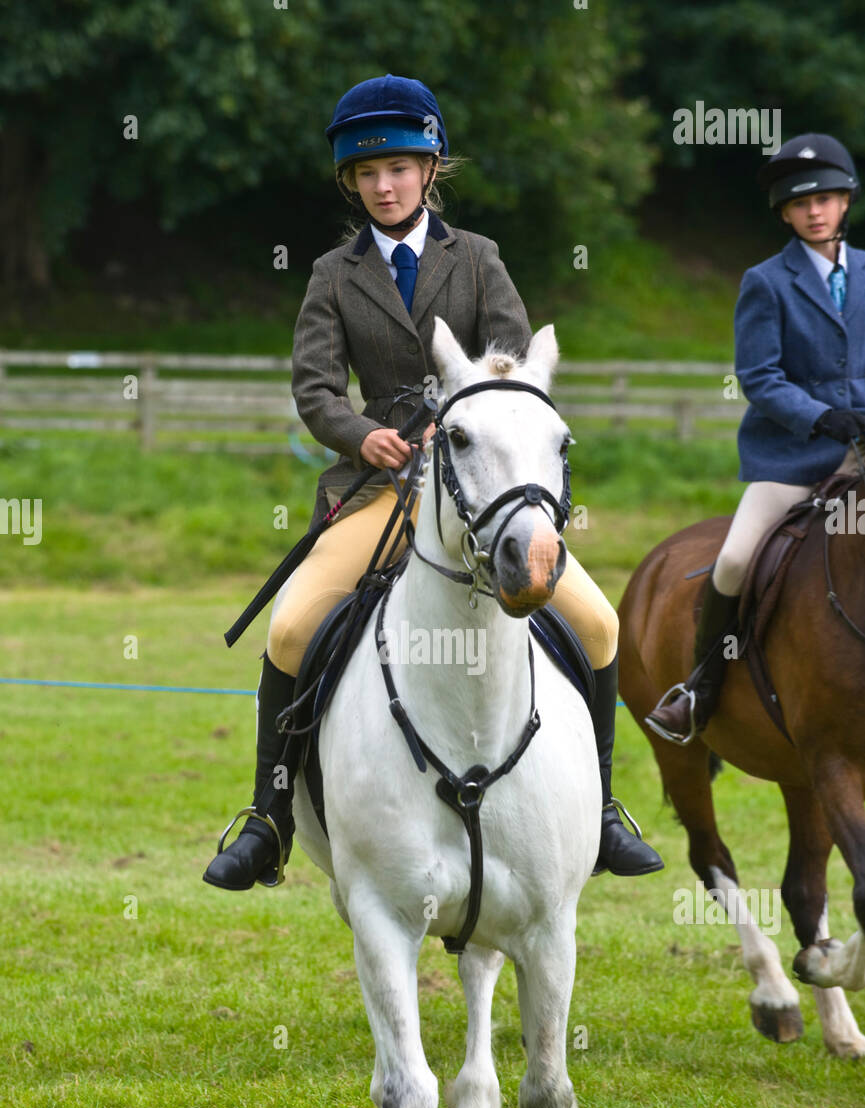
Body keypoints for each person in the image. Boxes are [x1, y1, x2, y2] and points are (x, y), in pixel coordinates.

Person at [204, 74, 663, 891]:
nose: (384, 186)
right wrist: (364, 435)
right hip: (377, 494)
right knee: (289, 630)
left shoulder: (478, 258)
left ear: (429, 169)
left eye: (400, 170)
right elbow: (314, 390)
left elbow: (517, 368)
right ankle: (269, 818)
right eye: (367, 175)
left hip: (480, 490)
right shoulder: (331, 275)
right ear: (351, 182)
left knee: (595, 625)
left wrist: (464, 420)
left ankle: (597, 812)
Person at [646, 133, 865, 745]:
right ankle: (700, 686)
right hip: (795, 457)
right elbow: (760, 377)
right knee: (738, 557)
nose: (814, 211)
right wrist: (822, 416)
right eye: (801, 204)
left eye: (825, 198)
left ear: (845, 201)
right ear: (784, 214)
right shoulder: (766, 282)